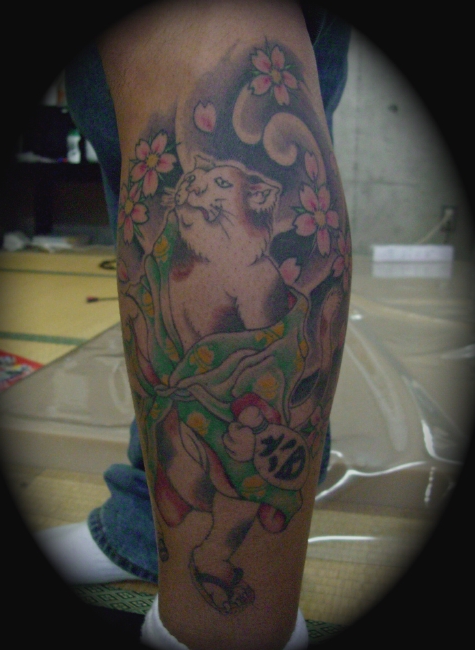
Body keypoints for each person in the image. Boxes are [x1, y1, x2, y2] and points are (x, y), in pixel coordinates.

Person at [36, 2, 351, 648]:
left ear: (255, 203)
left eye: (213, 191)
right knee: (131, 149)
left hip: (241, 417)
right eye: (200, 190)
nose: (197, 192)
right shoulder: (187, 237)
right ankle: (140, 524)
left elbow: (274, 357)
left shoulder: (254, 274)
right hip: (195, 399)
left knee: (197, 40)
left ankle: (224, 629)